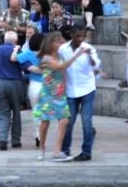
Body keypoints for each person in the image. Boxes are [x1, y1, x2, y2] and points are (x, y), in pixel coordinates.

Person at [34, 32, 88, 161]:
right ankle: (41, 148)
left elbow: (63, 72)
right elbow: (61, 67)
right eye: (57, 42)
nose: (60, 44)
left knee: (64, 121)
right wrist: (77, 54)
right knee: (45, 122)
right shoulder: (46, 58)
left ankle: (57, 151)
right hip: (47, 94)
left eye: (60, 41)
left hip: (59, 93)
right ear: (51, 44)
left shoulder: (59, 55)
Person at [59, 26, 100, 162]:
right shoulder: (63, 49)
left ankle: (86, 151)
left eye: (83, 36)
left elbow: (95, 65)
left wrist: (89, 55)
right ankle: (65, 150)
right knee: (69, 121)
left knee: (86, 121)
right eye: (78, 36)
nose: (81, 39)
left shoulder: (89, 48)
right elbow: (61, 66)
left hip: (87, 88)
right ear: (71, 35)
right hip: (71, 89)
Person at [0, 31, 27, 150]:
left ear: (4, 39)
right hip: (15, 83)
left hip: (0, 82)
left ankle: (2, 139)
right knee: (16, 111)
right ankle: (16, 140)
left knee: (1, 112)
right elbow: (23, 66)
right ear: (16, 41)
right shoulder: (17, 50)